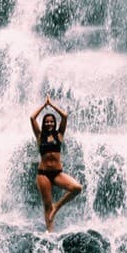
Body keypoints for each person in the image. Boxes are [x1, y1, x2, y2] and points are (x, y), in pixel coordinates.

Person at [30, 94, 82, 232]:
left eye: (51, 121)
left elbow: (64, 116)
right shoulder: (40, 136)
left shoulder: (59, 135)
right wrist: (43, 106)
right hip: (43, 174)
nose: (49, 123)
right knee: (47, 205)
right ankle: (50, 233)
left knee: (77, 188)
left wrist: (52, 105)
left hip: (57, 174)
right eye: (46, 122)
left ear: (54, 123)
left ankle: (56, 207)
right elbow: (32, 118)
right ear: (44, 123)